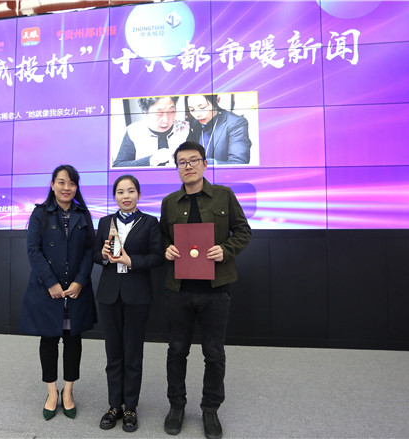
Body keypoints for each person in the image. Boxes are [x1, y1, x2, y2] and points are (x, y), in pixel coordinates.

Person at [159, 142, 252, 439]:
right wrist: (167, 249)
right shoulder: (170, 202)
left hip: (216, 289)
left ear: (204, 164)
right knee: (177, 350)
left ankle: (210, 409)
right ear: (177, 168)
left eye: (193, 160)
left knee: (213, 353)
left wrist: (225, 250)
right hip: (179, 289)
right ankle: (177, 406)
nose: (188, 166)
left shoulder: (224, 195)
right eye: (182, 162)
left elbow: (244, 231)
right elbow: (162, 238)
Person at [19, 164, 97, 421]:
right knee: (49, 340)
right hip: (47, 289)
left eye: (72, 183)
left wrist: (80, 281)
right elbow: (33, 250)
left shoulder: (82, 214)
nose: (66, 187)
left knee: (74, 340)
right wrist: (51, 283)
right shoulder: (40, 213)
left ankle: (69, 391)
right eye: (61, 182)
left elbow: (89, 251)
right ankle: (52, 392)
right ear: (52, 185)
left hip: (76, 289)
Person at [93, 175, 164, 432]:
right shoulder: (105, 222)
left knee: (133, 353)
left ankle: (131, 407)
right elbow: (94, 253)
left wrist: (131, 261)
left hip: (137, 295)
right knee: (113, 353)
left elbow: (157, 257)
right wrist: (102, 255)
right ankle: (114, 405)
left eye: (131, 191)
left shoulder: (150, 222)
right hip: (109, 294)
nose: (126, 196)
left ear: (139, 195)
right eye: (121, 192)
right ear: (115, 196)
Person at [113, 96, 189, 167]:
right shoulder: (134, 131)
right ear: (145, 112)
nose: (166, 120)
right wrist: (151, 160)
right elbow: (118, 165)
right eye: (159, 113)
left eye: (171, 112)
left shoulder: (186, 128)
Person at [185, 94, 251, 165]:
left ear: (217, 100)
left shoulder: (235, 123)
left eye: (202, 108)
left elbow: (239, 163)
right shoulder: (195, 123)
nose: (197, 115)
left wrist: (205, 163)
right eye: (192, 110)